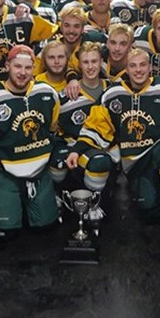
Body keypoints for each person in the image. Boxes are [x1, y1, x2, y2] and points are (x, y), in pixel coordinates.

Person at [68, 48, 160, 253]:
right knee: (148, 211)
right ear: (126, 69)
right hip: (134, 161)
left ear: (150, 67)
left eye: (142, 65)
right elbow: (96, 126)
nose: (138, 70)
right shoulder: (112, 93)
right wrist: (77, 150)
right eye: (133, 66)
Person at [0, 45, 60, 238]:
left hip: (39, 169)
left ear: (34, 68)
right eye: (18, 66)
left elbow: (52, 128)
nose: (22, 73)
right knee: (4, 233)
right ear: (7, 65)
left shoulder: (48, 93)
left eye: (28, 68)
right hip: (4, 168)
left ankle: (35, 203)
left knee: (45, 229)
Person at [49, 42, 113, 229]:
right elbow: (54, 129)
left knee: (100, 162)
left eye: (94, 61)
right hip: (74, 148)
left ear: (101, 61)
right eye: (85, 62)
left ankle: (94, 203)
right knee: (56, 157)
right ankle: (56, 194)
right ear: (79, 65)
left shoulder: (113, 89)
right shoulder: (66, 95)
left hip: (104, 148)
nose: (91, 66)